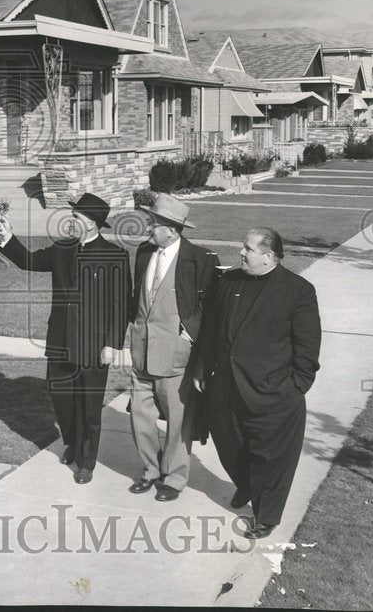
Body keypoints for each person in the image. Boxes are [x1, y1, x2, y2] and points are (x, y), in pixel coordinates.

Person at [195, 227, 321, 540]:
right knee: (229, 445)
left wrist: (295, 387)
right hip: (226, 388)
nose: (241, 253)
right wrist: (200, 368)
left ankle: (266, 515)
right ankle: (248, 485)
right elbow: (210, 330)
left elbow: (308, 348)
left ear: (267, 256)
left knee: (271, 457)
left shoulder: (298, 291)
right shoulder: (229, 282)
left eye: (247, 249)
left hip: (274, 392)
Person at [0, 192, 130, 484]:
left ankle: (86, 462)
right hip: (60, 339)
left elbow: (121, 306)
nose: (72, 222)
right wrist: (8, 237)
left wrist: (113, 344)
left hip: (94, 346)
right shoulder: (62, 249)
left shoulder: (114, 256)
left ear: (93, 224)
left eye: (77, 218)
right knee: (60, 396)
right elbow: (29, 261)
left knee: (90, 406)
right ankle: (72, 439)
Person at [127, 194, 219, 502]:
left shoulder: (201, 260)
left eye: (154, 224)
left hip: (175, 354)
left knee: (179, 420)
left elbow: (209, 305)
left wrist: (187, 335)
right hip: (141, 349)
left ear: (173, 230)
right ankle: (150, 470)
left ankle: (175, 477)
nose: (149, 228)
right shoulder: (143, 253)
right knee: (140, 417)